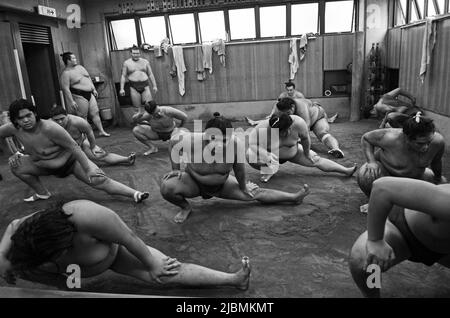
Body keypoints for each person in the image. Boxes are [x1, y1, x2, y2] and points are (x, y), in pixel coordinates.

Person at [0, 200, 251, 291]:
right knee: (16, 266)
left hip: (113, 255)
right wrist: (2, 259)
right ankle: (67, 288)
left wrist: (152, 264)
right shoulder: (30, 229)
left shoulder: (87, 214)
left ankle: (234, 279)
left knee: (166, 273)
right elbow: (12, 226)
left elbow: (128, 238)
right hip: (64, 274)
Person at [160, 113, 310, 223]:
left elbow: (239, 169)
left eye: (224, 141)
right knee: (167, 187)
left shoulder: (235, 144)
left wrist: (244, 186)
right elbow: (172, 144)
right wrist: (176, 169)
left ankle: (294, 197)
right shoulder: (191, 140)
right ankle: (185, 208)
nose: (218, 145)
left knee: (255, 193)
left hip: (222, 185)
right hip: (193, 182)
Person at [0, 99, 149, 203]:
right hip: (42, 166)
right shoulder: (12, 129)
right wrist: (13, 153)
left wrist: (88, 168)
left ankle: (135, 194)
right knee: (17, 166)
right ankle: (42, 193)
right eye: (21, 118)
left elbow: (73, 147)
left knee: (99, 179)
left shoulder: (50, 128)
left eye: (28, 115)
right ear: (15, 120)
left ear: (35, 114)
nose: (26, 120)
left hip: (70, 163)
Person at [349, 177, 450, 298]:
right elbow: (383, 188)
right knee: (365, 261)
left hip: (444, 249)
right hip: (404, 233)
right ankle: (372, 295)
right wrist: (375, 240)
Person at [247, 112, 356, 183]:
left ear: (289, 127)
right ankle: (269, 169)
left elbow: (305, 138)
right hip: (270, 156)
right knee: (250, 155)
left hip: (292, 152)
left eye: (283, 132)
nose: (279, 135)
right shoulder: (262, 128)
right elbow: (252, 144)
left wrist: (307, 152)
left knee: (316, 160)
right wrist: (265, 154)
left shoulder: (298, 123)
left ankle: (346, 170)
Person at [356, 112, 446, 198]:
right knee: (367, 174)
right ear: (406, 138)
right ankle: (375, 200)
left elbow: (436, 162)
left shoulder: (437, 142)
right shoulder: (389, 137)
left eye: (428, 142)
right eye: (420, 143)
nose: (425, 147)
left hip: (414, 178)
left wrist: (438, 179)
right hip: (385, 174)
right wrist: (371, 162)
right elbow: (366, 138)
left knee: (442, 185)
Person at [246, 98, 342, 157]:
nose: (286, 115)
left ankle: (335, 149)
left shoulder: (302, 106)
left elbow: (306, 129)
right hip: (300, 123)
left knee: (322, 134)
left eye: (287, 113)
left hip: (317, 118)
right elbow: (271, 121)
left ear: (292, 107)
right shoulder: (278, 107)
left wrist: (294, 141)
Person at [50, 106, 136, 167]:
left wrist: (93, 146)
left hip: (80, 142)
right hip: (63, 148)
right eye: (56, 120)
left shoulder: (78, 122)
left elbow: (90, 132)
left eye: (62, 118)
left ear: (67, 116)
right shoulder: (48, 125)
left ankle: (127, 159)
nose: (60, 122)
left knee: (100, 156)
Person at [59, 52, 110, 137]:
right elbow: (66, 89)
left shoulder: (81, 68)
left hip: (90, 93)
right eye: (73, 58)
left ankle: (101, 131)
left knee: (95, 113)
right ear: (68, 60)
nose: (76, 60)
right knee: (83, 116)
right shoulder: (66, 73)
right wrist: (71, 101)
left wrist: (93, 89)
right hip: (79, 95)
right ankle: (86, 135)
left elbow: (88, 78)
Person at [119, 46, 158, 115]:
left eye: (137, 53)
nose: (136, 55)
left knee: (149, 106)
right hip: (133, 87)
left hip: (145, 86)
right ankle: (140, 124)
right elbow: (123, 76)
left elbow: (150, 74)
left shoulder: (145, 62)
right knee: (137, 108)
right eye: (134, 53)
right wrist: (122, 89)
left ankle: (150, 124)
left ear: (140, 53)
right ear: (131, 53)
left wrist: (154, 86)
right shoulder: (127, 63)